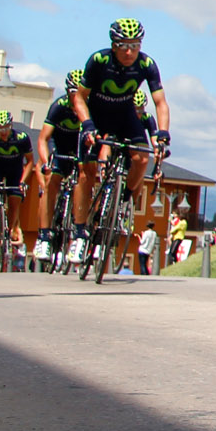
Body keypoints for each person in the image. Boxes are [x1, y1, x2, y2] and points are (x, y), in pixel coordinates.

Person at [67, 19, 169, 264]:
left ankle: (122, 201)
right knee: (85, 174)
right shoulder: (99, 61)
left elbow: (160, 103)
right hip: (97, 116)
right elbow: (80, 98)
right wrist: (87, 124)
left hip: (125, 116)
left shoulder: (147, 64)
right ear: (113, 45)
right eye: (123, 45)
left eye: (134, 45)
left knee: (142, 157)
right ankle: (80, 233)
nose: (129, 51)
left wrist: (163, 133)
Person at [34, 70, 86, 261]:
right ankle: (44, 236)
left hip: (80, 146)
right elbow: (43, 139)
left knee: (85, 179)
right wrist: (46, 161)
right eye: (74, 93)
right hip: (60, 145)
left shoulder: (90, 107)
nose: (78, 97)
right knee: (52, 180)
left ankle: (80, 231)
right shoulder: (59, 106)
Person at [0, 110, 35, 262]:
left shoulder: (21, 138)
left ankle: (11, 233)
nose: (3, 132)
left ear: (11, 125)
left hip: (15, 171)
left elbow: (30, 161)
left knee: (14, 202)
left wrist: (23, 181)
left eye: (5, 128)